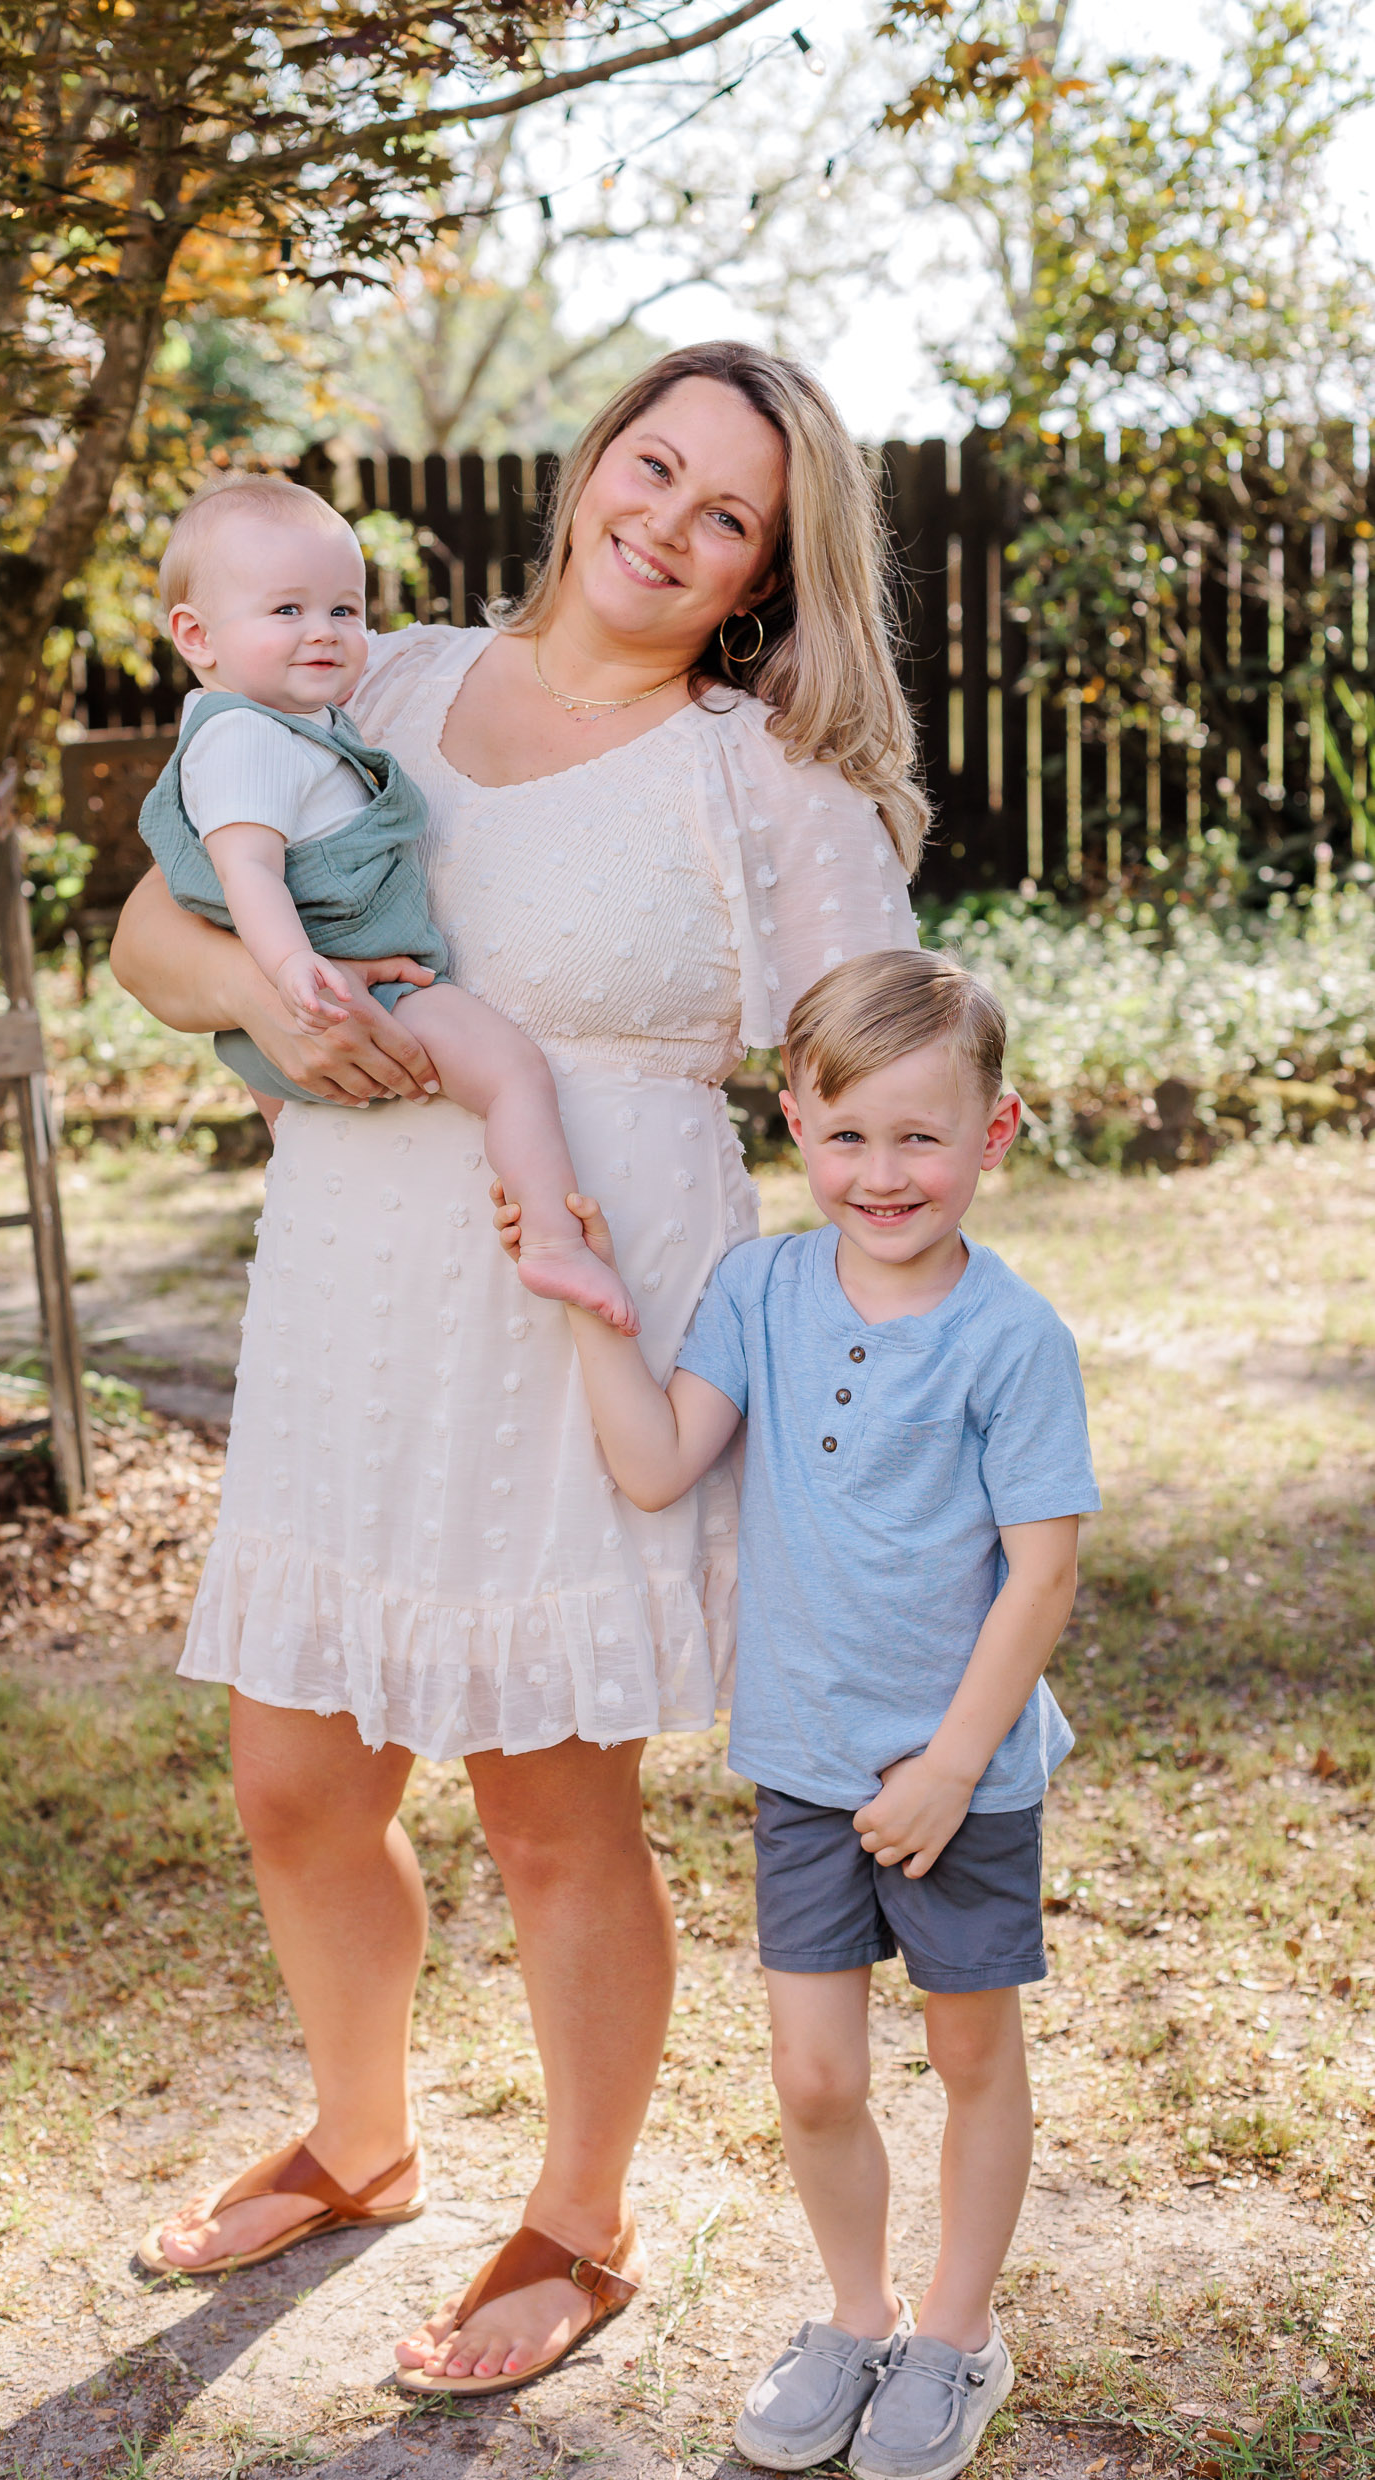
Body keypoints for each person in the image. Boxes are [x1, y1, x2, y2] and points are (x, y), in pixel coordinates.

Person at [108, 341, 927, 2392]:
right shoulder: (373, 682)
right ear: (592, 468)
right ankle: (360, 2139)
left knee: (551, 1805)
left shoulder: (769, 780)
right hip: (350, 1286)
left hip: (590, 1304)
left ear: (758, 571)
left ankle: (580, 2212)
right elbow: (148, 923)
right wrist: (270, 1010)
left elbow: (884, 1065)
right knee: (294, 1775)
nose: (664, 520)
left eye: (721, 512)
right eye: (650, 466)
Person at [526, 948, 1100, 2474]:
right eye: (849, 1134)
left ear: (997, 1132)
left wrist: (952, 1766)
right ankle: (857, 2320)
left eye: (922, 1135)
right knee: (815, 2074)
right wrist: (592, 1307)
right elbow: (656, 1462)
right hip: (802, 1764)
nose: (883, 1171)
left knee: (972, 2059)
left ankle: (956, 2339)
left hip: (957, 1779)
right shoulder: (762, 1289)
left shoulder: (1011, 1340)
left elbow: (1040, 1582)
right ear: (794, 1121)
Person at [137, 473, 636, 1332]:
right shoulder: (243, 738)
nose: (324, 633)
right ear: (196, 636)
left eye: (343, 609)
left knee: (308, 1173)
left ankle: (311, 1236)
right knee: (511, 1073)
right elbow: (247, 873)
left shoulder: (303, 724)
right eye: (285, 611)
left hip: (335, 980)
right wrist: (298, 973)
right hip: (342, 999)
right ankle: (553, 1237)